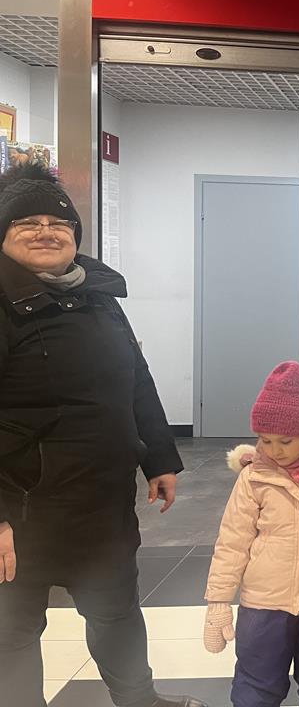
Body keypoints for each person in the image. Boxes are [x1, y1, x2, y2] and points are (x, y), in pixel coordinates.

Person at [0, 161, 203, 707]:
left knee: (116, 613)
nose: (45, 232)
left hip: (100, 500)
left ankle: (139, 700)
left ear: (76, 235)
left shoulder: (98, 295)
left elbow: (135, 378)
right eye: (27, 223)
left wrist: (159, 457)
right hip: (21, 507)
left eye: (58, 223)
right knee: (13, 631)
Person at [203, 362, 299, 706]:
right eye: (265, 440)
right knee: (256, 685)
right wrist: (218, 601)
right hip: (265, 605)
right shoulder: (254, 477)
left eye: (285, 441)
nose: (274, 450)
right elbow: (232, 542)